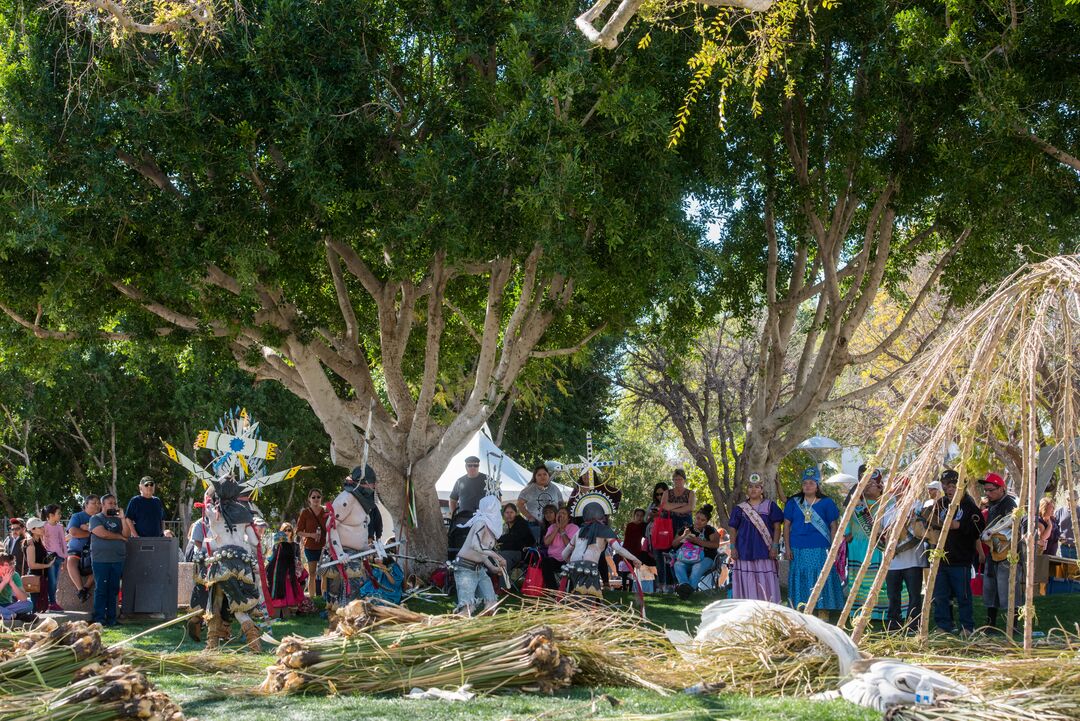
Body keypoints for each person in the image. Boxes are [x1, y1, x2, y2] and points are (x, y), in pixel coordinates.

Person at [925, 470, 984, 635]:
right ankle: (944, 625)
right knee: (940, 595)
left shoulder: (968, 505)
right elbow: (931, 521)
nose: (949, 489)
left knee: (963, 596)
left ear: (960, 486)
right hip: (940, 559)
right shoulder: (941, 503)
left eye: (952, 485)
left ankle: (967, 627)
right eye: (945, 485)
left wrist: (959, 525)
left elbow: (979, 527)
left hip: (960, 559)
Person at [783, 467, 844, 618]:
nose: (808, 486)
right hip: (798, 547)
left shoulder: (827, 502)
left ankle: (823, 609)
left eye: (811, 483)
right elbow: (786, 526)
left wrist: (834, 547)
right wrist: (787, 548)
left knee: (821, 576)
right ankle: (802, 609)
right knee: (801, 576)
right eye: (805, 483)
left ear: (817, 485)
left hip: (820, 546)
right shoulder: (793, 503)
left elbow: (833, 525)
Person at [844, 469, 898, 622]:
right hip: (858, 547)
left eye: (873, 483)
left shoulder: (888, 502)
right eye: (866, 483)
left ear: (880, 485)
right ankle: (859, 611)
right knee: (859, 579)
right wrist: (846, 534)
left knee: (879, 578)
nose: (869, 486)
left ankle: (879, 612)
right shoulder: (856, 502)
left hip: (878, 548)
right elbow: (846, 522)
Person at [559, 501, 641, 599]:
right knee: (587, 600)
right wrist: (635, 559)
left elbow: (564, 554)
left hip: (572, 566)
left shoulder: (580, 531)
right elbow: (618, 549)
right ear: (602, 515)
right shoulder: (604, 530)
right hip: (589, 567)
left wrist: (574, 563)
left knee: (579, 596)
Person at [728, 473, 783, 603]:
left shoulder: (771, 506)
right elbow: (732, 529)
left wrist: (775, 546)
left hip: (764, 551)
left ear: (762, 490)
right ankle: (747, 608)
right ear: (747, 489)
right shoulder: (740, 509)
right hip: (744, 551)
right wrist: (732, 548)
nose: (753, 489)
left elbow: (777, 527)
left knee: (765, 580)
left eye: (757, 487)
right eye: (750, 486)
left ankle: (768, 608)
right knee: (746, 579)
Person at [882, 485, 927, 631]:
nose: (898, 492)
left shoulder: (917, 506)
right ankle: (894, 623)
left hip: (913, 561)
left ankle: (913, 624)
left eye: (902, 488)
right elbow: (882, 534)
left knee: (914, 595)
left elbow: (921, 532)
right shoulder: (887, 509)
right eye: (896, 489)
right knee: (893, 595)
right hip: (892, 562)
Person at [452, 495, 505, 615]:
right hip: (465, 568)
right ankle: (457, 630)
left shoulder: (488, 525)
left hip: (479, 569)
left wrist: (492, 568)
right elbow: (476, 546)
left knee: (491, 603)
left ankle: (488, 629)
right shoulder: (481, 522)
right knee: (467, 608)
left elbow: (482, 553)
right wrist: (497, 557)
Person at [978, 472, 1018, 631]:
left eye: (991, 490)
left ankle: (1012, 626)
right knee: (991, 590)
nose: (987, 493)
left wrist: (992, 535)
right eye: (986, 490)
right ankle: (990, 624)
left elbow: (1011, 528)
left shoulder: (1009, 504)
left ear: (1001, 489)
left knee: (1009, 590)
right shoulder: (992, 505)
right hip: (992, 553)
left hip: (1006, 554)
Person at [89, 494, 130, 626]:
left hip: (117, 558)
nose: (113, 505)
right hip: (100, 559)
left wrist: (123, 519)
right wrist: (120, 537)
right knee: (101, 588)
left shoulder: (118, 519)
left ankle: (112, 618)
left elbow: (127, 535)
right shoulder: (95, 518)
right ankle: (99, 618)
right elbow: (103, 534)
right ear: (103, 505)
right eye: (110, 503)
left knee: (113, 589)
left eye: (114, 503)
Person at [672, 505, 722, 598]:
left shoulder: (710, 530)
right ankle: (685, 588)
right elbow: (674, 544)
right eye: (698, 518)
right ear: (694, 517)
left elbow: (715, 545)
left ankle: (686, 593)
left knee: (697, 567)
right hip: (686, 559)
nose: (699, 521)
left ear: (707, 522)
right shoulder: (686, 529)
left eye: (702, 520)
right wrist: (683, 536)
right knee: (678, 565)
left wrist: (697, 541)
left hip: (706, 558)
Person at [516, 464, 563, 544]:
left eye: (545, 474)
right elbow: (519, 504)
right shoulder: (529, 489)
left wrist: (560, 517)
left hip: (553, 524)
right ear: (535, 477)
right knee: (538, 547)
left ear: (548, 475)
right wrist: (529, 517)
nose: (542, 477)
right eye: (539, 475)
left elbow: (561, 504)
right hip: (536, 525)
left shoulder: (555, 488)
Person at [66, 495, 100, 602]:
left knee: (101, 565)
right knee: (71, 561)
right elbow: (74, 532)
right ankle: (80, 590)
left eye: (99, 503)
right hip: (77, 549)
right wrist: (93, 532)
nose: (97, 505)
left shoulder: (101, 517)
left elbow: (104, 534)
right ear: (86, 505)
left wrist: (87, 530)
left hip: (96, 550)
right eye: (94, 503)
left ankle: (85, 588)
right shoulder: (77, 516)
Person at [266, 526, 305, 616]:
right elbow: (303, 576)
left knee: (278, 607)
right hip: (289, 601)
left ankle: (283, 614)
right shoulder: (293, 563)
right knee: (287, 608)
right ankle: (290, 613)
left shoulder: (271, 566)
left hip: (275, 602)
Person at [296, 488, 326, 599]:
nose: (316, 499)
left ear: (321, 498)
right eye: (313, 497)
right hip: (310, 547)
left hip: (324, 547)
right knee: (312, 573)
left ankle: (324, 598)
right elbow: (298, 531)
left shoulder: (326, 512)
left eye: (318, 496)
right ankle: (312, 598)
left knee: (324, 573)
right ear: (309, 499)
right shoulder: (305, 512)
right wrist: (311, 535)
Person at [22, 518, 53, 613]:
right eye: (40, 527)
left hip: (41, 578)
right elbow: (31, 565)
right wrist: (47, 565)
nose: (43, 528)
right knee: (36, 609)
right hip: (35, 579)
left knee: (41, 608)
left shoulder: (39, 541)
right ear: (33, 530)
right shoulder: (31, 544)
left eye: (42, 526)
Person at [542, 507, 578, 588]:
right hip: (554, 559)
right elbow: (546, 543)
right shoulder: (552, 527)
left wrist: (562, 530)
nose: (561, 515)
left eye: (564, 513)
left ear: (568, 518)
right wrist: (556, 528)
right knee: (545, 561)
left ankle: (570, 588)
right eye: (559, 513)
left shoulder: (574, 528)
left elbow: (570, 546)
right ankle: (552, 589)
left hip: (568, 559)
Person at [41, 505, 66, 611]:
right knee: (52, 581)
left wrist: (65, 556)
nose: (60, 515)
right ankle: (51, 602)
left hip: (59, 557)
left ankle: (52, 602)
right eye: (58, 513)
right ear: (51, 515)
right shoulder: (43, 526)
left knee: (55, 581)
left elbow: (63, 542)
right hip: (49, 558)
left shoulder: (60, 527)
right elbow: (42, 541)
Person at [449, 456, 488, 520]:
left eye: (475, 465)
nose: (473, 467)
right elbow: (452, 500)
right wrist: (454, 516)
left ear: (478, 466)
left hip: (483, 519)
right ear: (466, 467)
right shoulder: (459, 481)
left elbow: (498, 498)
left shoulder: (487, 480)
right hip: (463, 519)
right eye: (470, 465)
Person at [497, 503, 533, 571]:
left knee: (503, 556)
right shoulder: (505, 525)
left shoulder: (521, 523)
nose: (509, 515)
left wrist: (498, 539)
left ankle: (504, 580)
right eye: (507, 512)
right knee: (491, 555)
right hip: (510, 551)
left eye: (511, 512)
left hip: (524, 552)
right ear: (503, 514)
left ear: (516, 513)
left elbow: (515, 538)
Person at [660, 470, 695, 535]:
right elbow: (664, 506)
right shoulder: (666, 492)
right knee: (667, 543)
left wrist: (671, 508)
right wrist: (682, 504)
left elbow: (690, 507)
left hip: (686, 525)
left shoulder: (691, 493)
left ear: (684, 480)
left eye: (680, 479)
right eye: (676, 479)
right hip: (668, 523)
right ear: (673, 480)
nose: (678, 481)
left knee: (684, 544)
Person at [0, 553, 32, 620]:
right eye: (7, 565)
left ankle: (6, 614)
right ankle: (16, 616)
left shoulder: (15, 575)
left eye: (12, 563)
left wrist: (12, 583)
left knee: (29, 604)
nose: (11, 567)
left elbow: (23, 598)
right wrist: (4, 582)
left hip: (8, 605)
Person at [1053, 492, 1078, 559]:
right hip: (1064, 548)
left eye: (1074, 500)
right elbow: (1054, 529)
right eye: (1068, 500)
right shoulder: (1059, 512)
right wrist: (1059, 536)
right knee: (1064, 568)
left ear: (1077, 500)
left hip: (1077, 548)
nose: (1070, 502)